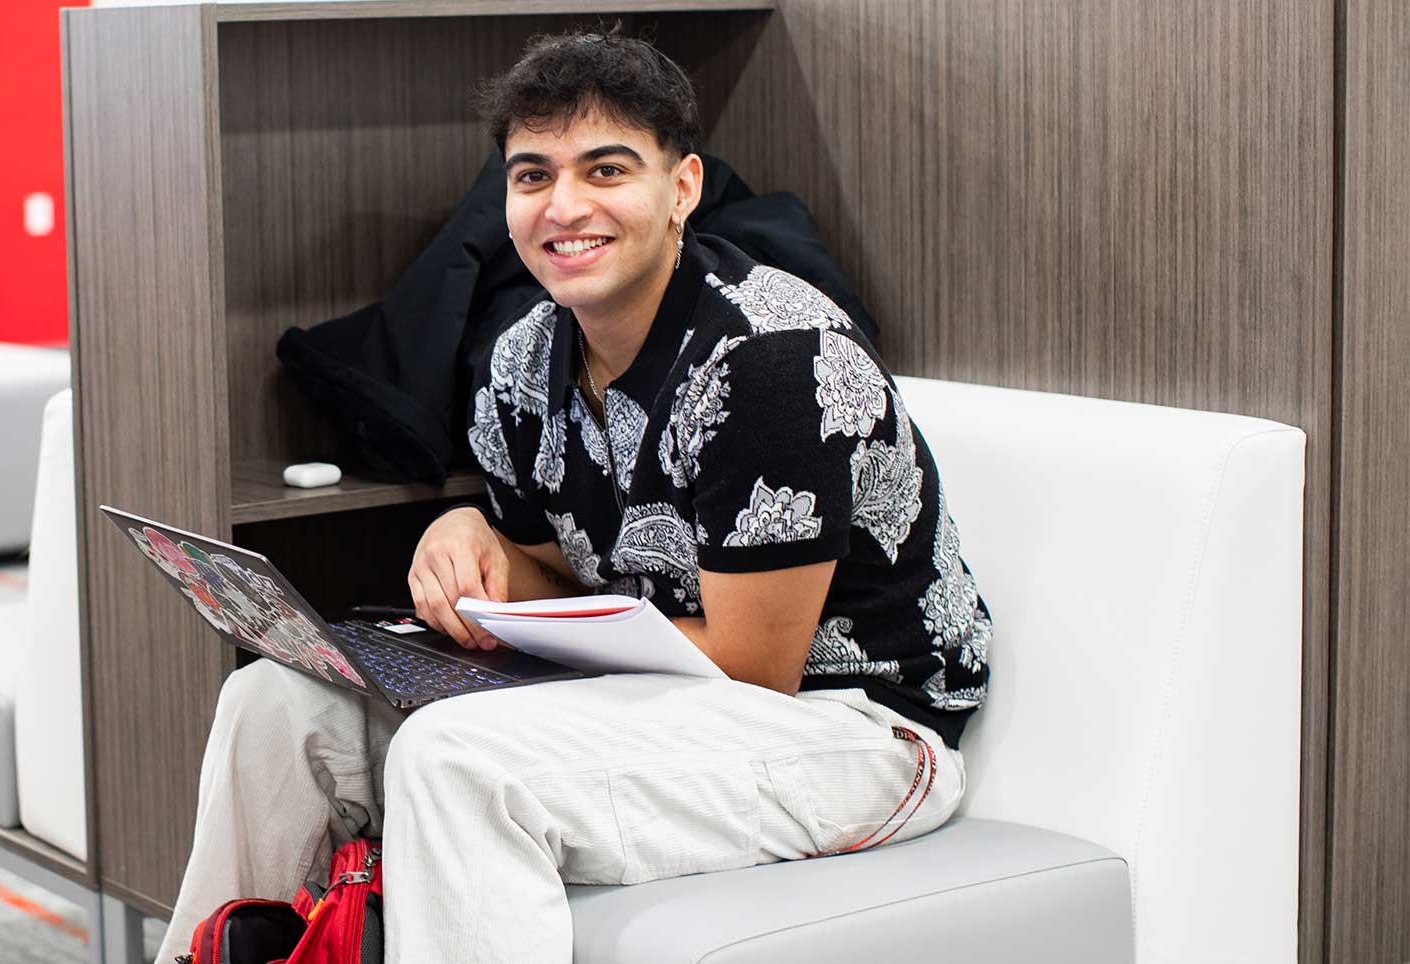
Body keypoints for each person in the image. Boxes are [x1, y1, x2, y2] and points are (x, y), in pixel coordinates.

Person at [152, 27, 992, 964]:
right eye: (532, 176)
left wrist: (517, 649)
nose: (565, 205)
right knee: (272, 704)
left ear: (681, 190)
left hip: (852, 729)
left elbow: (756, 667)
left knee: (455, 759)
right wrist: (472, 541)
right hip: (664, 697)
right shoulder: (523, 359)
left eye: (605, 170)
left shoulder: (768, 356)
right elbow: (553, 563)